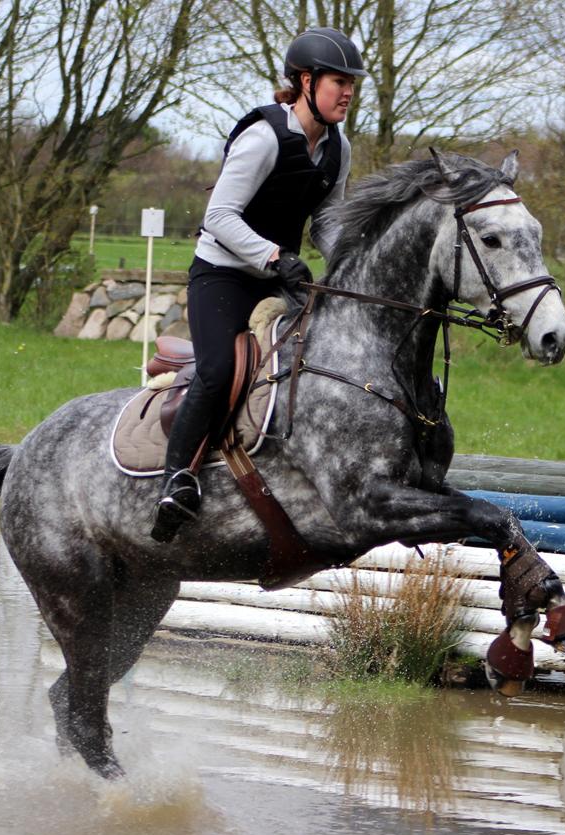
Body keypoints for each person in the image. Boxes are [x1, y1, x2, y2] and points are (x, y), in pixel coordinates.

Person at [151, 27, 367, 542]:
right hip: (223, 274)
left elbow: (328, 220)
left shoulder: (340, 148)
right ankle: (173, 480)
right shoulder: (263, 137)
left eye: (353, 83)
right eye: (340, 81)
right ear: (307, 81)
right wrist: (274, 256)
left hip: (280, 275)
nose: (349, 92)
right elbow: (219, 216)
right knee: (219, 368)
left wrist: (347, 265)